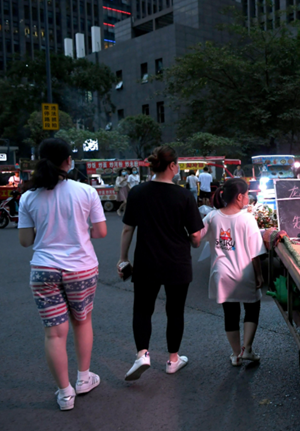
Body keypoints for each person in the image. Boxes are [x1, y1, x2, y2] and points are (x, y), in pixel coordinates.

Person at [18, 138, 107, 411]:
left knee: (54, 334)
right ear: (68, 161)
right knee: (82, 321)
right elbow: (101, 231)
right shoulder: (85, 192)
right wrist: (80, 231)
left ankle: (65, 394)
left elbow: (25, 240)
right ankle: (83, 378)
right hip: (81, 268)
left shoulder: (28, 197)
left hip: (44, 269)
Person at [117, 146, 204, 382]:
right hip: (177, 262)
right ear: (173, 166)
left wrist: (123, 258)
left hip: (146, 261)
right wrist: (194, 240)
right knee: (174, 311)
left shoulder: (137, 192)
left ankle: (142, 354)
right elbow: (196, 237)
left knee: (142, 310)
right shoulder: (184, 195)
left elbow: (128, 229)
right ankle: (173, 360)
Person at [200, 179, 266, 366]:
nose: (248, 198)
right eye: (246, 195)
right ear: (239, 197)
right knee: (252, 308)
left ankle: (236, 354)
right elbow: (255, 252)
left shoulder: (212, 217)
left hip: (222, 274)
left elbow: (197, 237)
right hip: (244, 273)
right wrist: (259, 275)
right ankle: (248, 349)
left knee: (230, 314)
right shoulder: (247, 219)